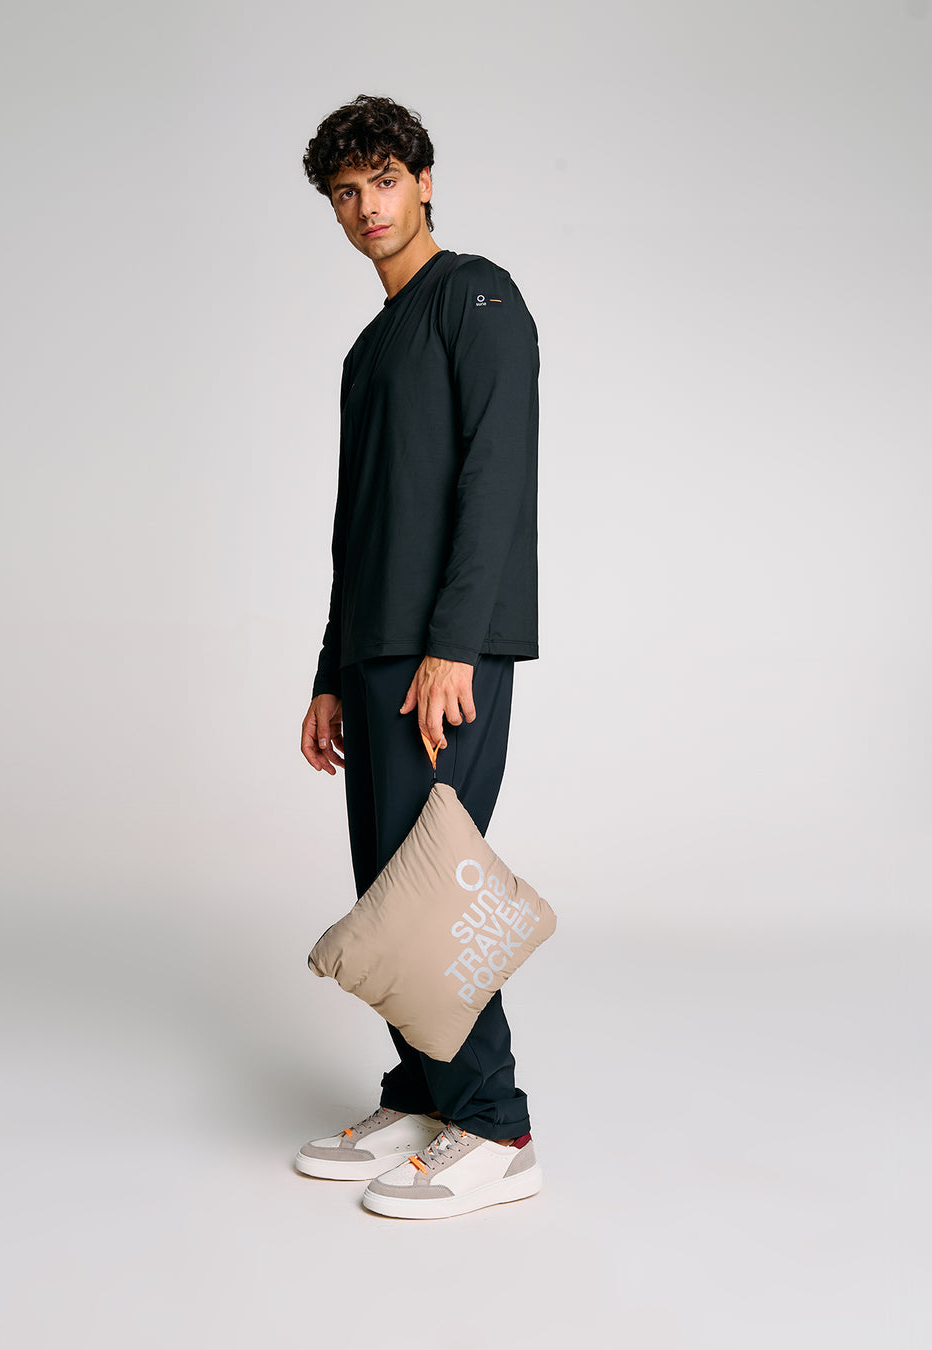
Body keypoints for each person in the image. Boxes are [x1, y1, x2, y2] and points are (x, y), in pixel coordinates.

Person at [295, 94, 541, 1219]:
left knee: (431, 893)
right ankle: (422, 1094)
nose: (366, 208)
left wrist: (453, 648)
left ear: (425, 181)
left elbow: (495, 477)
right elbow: (356, 526)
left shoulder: (476, 297)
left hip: (448, 653)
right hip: (375, 652)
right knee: (385, 892)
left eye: (383, 181)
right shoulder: (367, 348)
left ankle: (494, 1125)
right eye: (346, 193)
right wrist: (328, 671)